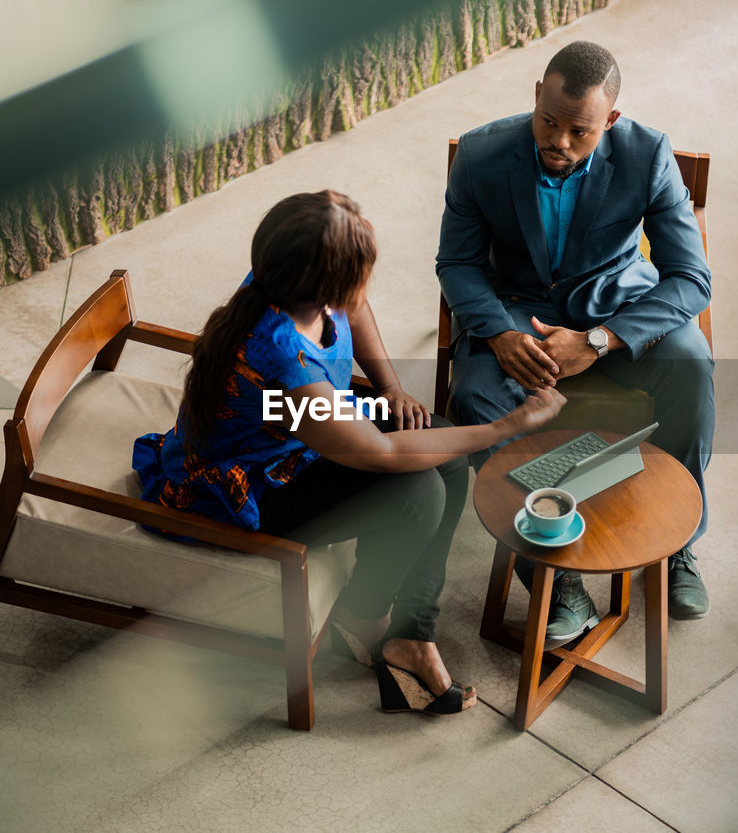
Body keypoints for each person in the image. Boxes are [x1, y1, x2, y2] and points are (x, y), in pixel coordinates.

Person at [134, 190, 565, 716]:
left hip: (298, 436)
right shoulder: (284, 360)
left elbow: (355, 309)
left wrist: (390, 388)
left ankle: (411, 634)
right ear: (327, 284)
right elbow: (381, 454)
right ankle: (367, 617)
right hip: (252, 488)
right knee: (418, 490)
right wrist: (508, 425)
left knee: (442, 446)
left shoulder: (292, 284)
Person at [436, 40, 715, 642]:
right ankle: (552, 571)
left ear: (610, 121)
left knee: (691, 361)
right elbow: (456, 264)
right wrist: (501, 333)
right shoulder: (482, 154)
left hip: (615, 309)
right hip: (519, 315)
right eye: (549, 122)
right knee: (477, 397)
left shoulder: (648, 155)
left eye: (579, 131)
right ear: (537, 95)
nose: (558, 142)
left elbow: (692, 278)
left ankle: (680, 548)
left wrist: (600, 340)